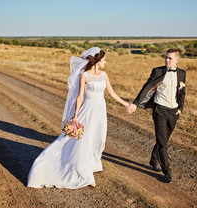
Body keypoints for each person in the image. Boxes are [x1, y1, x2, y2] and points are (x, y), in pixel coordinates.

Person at [27, 47, 129, 189]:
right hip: (87, 111)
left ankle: (93, 163)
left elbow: (112, 93)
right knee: (84, 141)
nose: (105, 62)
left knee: (99, 138)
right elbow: (80, 97)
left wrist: (126, 104)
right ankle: (85, 174)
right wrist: (75, 117)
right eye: (104, 59)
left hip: (100, 111)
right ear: (98, 60)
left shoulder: (104, 75)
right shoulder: (84, 76)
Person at [126, 48, 186, 183]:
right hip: (160, 110)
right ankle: (167, 171)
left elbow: (182, 92)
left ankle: (154, 158)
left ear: (177, 59)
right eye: (166, 57)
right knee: (162, 143)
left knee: (164, 139)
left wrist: (180, 108)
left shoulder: (182, 73)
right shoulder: (157, 71)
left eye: (170, 58)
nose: (167, 60)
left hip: (174, 111)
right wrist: (135, 103)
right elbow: (146, 87)